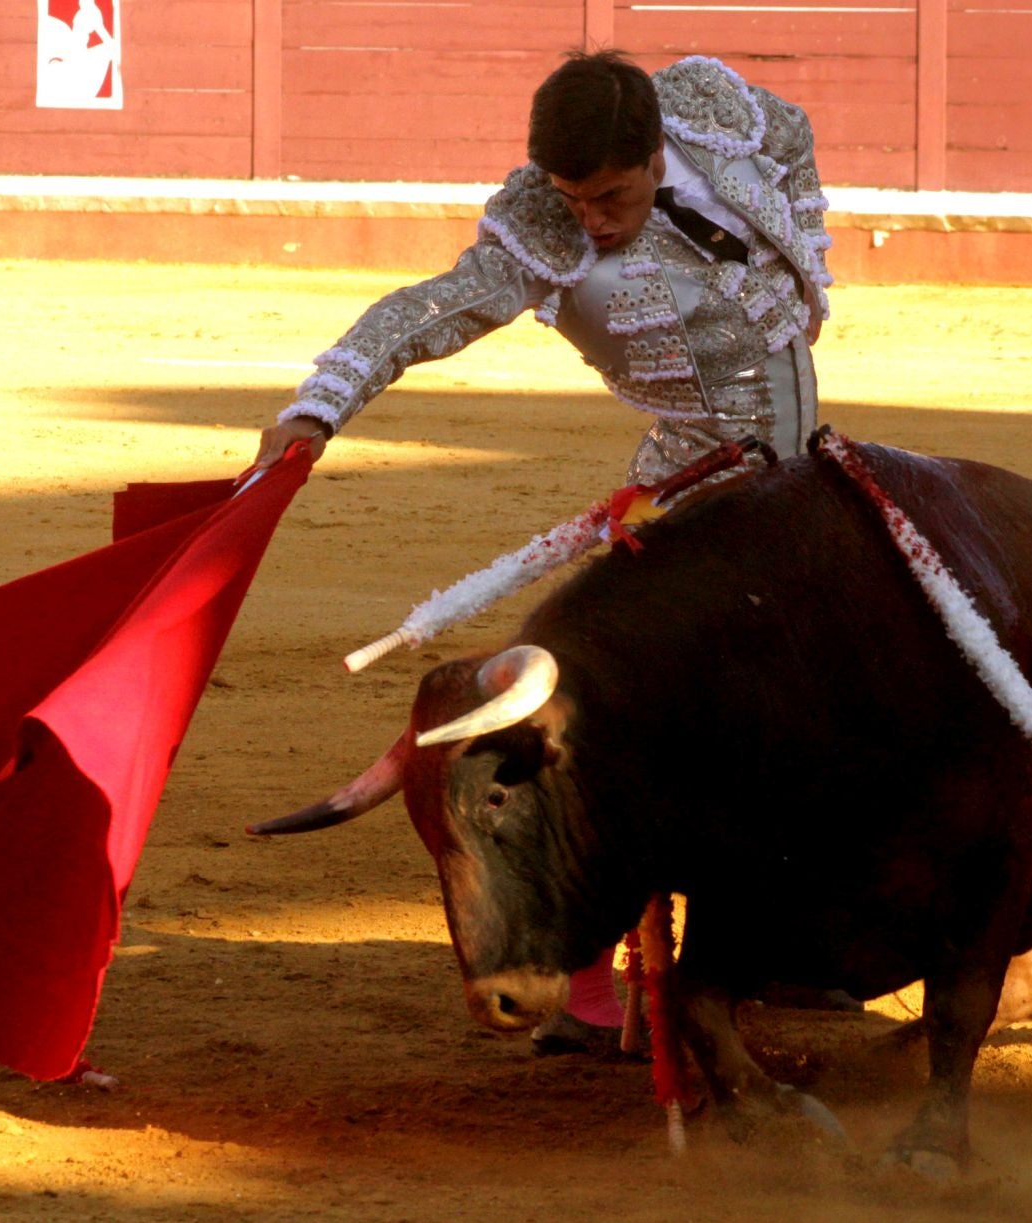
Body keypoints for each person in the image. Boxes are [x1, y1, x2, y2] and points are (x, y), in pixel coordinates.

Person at [253, 49, 836, 1056]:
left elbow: (790, 135)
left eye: (612, 195)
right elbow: (422, 311)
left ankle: (792, 943)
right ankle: (589, 972)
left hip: (799, 475)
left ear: (660, 153)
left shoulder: (714, 108)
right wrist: (319, 404)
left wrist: (814, 262)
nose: (593, 219)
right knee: (659, 717)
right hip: (692, 478)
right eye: (575, 197)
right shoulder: (539, 230)